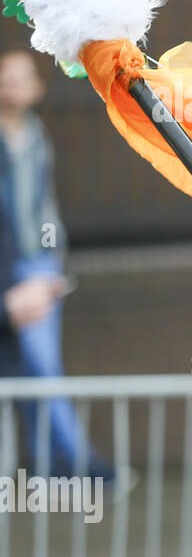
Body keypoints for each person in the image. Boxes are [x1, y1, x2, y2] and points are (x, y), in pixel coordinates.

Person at [0, 48, 118, 482]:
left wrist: (54, 258)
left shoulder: (35, 136)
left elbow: (42, 202)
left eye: (19, 78)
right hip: (11, 268)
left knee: (40, 368)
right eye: (4, 76)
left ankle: (62, 466)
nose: (10, 85)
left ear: (36, 89)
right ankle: (68, 466)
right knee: (36, 371)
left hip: (36, 264)